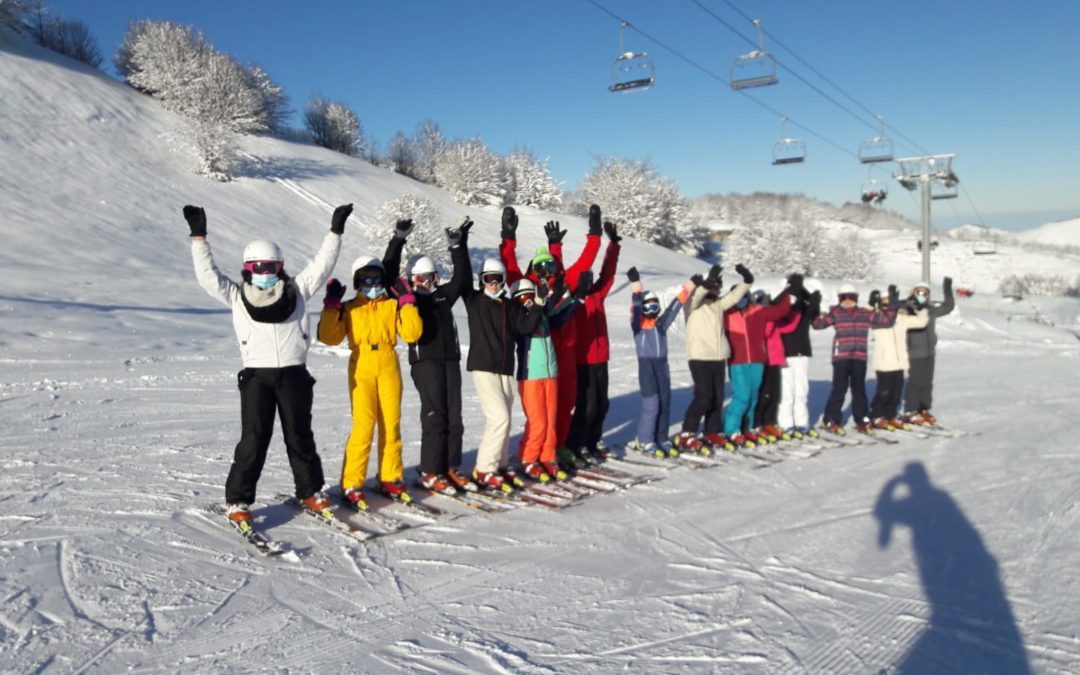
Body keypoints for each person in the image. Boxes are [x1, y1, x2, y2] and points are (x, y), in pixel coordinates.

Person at [183, 202, 349, 527]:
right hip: (257, 377)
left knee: (300, 437)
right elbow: (207, 277)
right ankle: (238, 500)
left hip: (294, 375)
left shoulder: (297, 291)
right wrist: (199, 238)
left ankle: (310, 491)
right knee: (254, 439)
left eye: (270, 266)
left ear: (281, 266)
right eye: (258, 266)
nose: (264, 272)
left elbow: (321, 265)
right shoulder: (236, 295)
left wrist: (335, 232)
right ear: (248, 267)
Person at [317, 219, 423, 510]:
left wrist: (408, 302)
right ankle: (352, 482)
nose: (373, 285)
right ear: (357, 282)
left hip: (389, 361)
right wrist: (331, 308)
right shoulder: (351, 307)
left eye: (377, 280)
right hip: (361, 363)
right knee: (364, 425)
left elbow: (412, 334)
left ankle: (390, 477)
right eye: (367, 280)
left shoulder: (392, 305)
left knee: (391, 424)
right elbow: (328, 338)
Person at [500, 205, 603, 464]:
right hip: (536, 357)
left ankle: (557, 447)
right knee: (540, 413)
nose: (546, 269)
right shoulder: (527, 286)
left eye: (549, 264)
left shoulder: (564, 280)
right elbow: (509, 266)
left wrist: (595, 233)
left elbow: (586, 262)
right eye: (540, 266)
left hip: (564, 355)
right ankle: (534, 452)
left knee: (565, 404)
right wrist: (508, 236)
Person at [404, 217, 477, 496]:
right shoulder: (409, 300)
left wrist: (457, 247)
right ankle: (429, 470)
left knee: (454, 417)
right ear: (413, 279)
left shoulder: (443, 296)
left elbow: (461, 279)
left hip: (450, 361)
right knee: (435, 416)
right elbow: (390, 278)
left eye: (432, 277)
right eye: (421, 279)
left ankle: (450, 466)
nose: (427, 283)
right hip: (426, 363)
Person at [461, 253, 543, 493]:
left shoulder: (510, 306)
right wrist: (460, 247)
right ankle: (484, 469)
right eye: (488, 279)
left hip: (506, 368)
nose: (493, 284)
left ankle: (501, 463)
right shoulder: (475, 301)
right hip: (484, 367)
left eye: (497, 279)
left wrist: (538, 305)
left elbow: (526, 327)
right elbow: (462, 278)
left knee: (505, 419)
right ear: (481, 281)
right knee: (499, 418)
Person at [512, 275, 584, 482]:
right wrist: (539, 303)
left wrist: (575, 299)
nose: (527, 299)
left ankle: (547, 455)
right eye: (522, 296)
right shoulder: (519, 316)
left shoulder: (540, 312)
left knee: (551, 419)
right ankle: (529, 458)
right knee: (538, 421)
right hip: (530, 375)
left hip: (550, 372)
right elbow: (527, 325)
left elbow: (559, 317)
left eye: (530, 295)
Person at [563, 219, 622, 465]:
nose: (587, 280)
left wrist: (614, 245)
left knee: (601, 404)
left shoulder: (597, 294)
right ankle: (576, 444)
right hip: (582, 360)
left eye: (588, 278)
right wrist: (594, 237)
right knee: (585, 405)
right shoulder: (571, 300)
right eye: (583, 278)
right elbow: (580, 267)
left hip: (602, 358)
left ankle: (593, 440)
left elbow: (608, 273)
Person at [674, 264, 751, 452]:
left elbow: (734, 296)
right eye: (713, 286)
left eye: (718, 287)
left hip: (718, 356)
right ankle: (687, 432)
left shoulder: (718, 305)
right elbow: (698, 294)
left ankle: (711, 431)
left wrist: (747, 281)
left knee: (717, 398)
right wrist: (707, 283)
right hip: (699, 356)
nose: (715, 290)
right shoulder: (692, 305)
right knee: (703, 397)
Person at [812, 283, 897, 434]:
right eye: (843, 298)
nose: (847, 300)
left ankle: (862, 419)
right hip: (841, 357)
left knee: (859, 390)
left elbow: (887, 321)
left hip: (859, 356)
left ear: (856, 298)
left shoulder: (865, 313)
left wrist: (892, 303)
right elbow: (818, 325)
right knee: (839, 389)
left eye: (850, 297)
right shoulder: (836, 313)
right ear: (839, 299)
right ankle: (831, 418)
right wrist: (813, 307)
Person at [627, 267, 693, 457]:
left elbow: (674, 307)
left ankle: (661, 438)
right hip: (646, 369)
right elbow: (637, 306)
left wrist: (687, 288)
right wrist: (636, 289)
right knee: (652, 404)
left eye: (655, 307)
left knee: (665, 402)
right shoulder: (638, 327)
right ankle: (645, 440)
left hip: (662, 367)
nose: (652, 311)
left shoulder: (660, 326)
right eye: (649, 307)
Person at [723, 273, 792, 447]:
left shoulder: (758, 311)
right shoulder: (726, 315)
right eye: (737, 297)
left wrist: (789, 291)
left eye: (744, 296)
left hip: (757, 360)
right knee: (742, 396)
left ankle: (747, 428)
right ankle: (731, 430)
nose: (741, 300)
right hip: (737, 361)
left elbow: (780, 311)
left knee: (754, 396)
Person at [868, 285, 929, 429]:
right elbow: (867, 314)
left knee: (896, 393)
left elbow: (921, 322)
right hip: (884, 362)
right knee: (884, 392)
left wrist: (920, 308)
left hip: (899, 362)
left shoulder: (901, 318)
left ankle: (890, 416)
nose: (887, 305)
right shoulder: (877, 318)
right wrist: (872, 304)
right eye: (884, 302)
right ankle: (876, 415)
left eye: (890, 302)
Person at [903, 277, 955, 426]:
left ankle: (923, 409)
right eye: (919, 292)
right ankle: (910, 411)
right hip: (915, 352)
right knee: (915, 382)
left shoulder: (931, 310)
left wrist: (947, 289)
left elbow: (948, 307)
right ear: (914, 292)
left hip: (929, 352)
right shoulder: (908, 309)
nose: (922, 295)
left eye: (925, 293)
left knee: (927, 383)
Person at [751, 287, 801, 441]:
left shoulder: (773, 320)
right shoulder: (760, 318)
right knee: (763, 394)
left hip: (775, 360)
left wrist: (797, 312)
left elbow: (789, 327)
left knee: (774, 394)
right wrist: (773, 312)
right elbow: (766, 331)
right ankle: (757, 423)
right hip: (764, 361)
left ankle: (770, 422)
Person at [776, 276, 820, 438]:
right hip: (786, 352)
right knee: (787, 391)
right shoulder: (783, 298)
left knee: (801, 390)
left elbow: (813, 314)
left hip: (802, 351)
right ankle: (786, 424)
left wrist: (815, 302)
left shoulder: (804, 299)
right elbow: (776, 311)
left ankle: (802, 422)